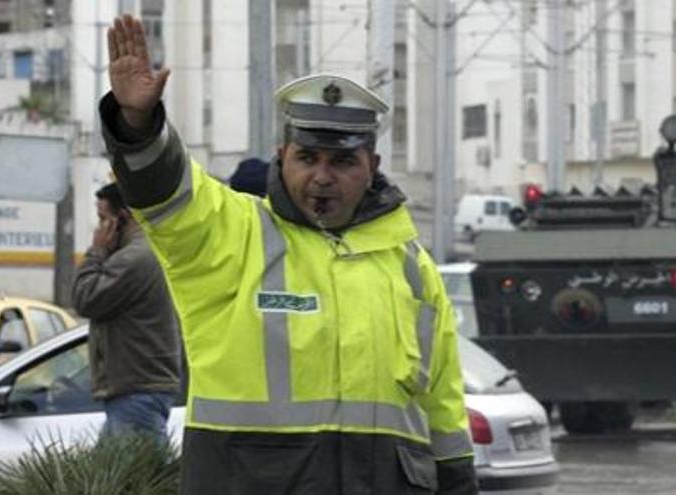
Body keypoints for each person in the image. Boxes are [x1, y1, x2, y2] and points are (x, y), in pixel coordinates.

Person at [99, 14, 476, 494]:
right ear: (282, 156)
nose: (322, 176)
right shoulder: (233, 233)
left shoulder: (411, 267)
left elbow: (442, 405)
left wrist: (461, 483)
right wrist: (138, 125)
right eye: (307, 158)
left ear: (372, 166)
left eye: (342, 161)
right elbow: (165, 191)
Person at [71, 182, 181, 441]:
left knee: (135, 479)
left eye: (103, 219)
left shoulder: (134, 259)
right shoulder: (142, 251)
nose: (99, 230)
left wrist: (96, 252)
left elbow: (84, 299)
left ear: (122, 217)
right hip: (136, 390)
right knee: (107, 478)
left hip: (137, 392)